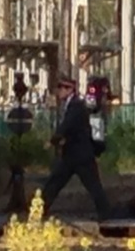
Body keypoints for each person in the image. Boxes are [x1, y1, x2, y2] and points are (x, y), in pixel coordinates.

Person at [41, 75, 111, 221]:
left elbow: (66, 125)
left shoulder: (76, 106)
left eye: (62, 88)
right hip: (74, 154)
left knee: (92, 185)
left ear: (70, 90)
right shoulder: (72, 105)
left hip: (79, 155)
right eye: (58, 87)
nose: (58, 91)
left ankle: (106, 214)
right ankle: (39, 210)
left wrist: (53, 141)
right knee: (55, 182)